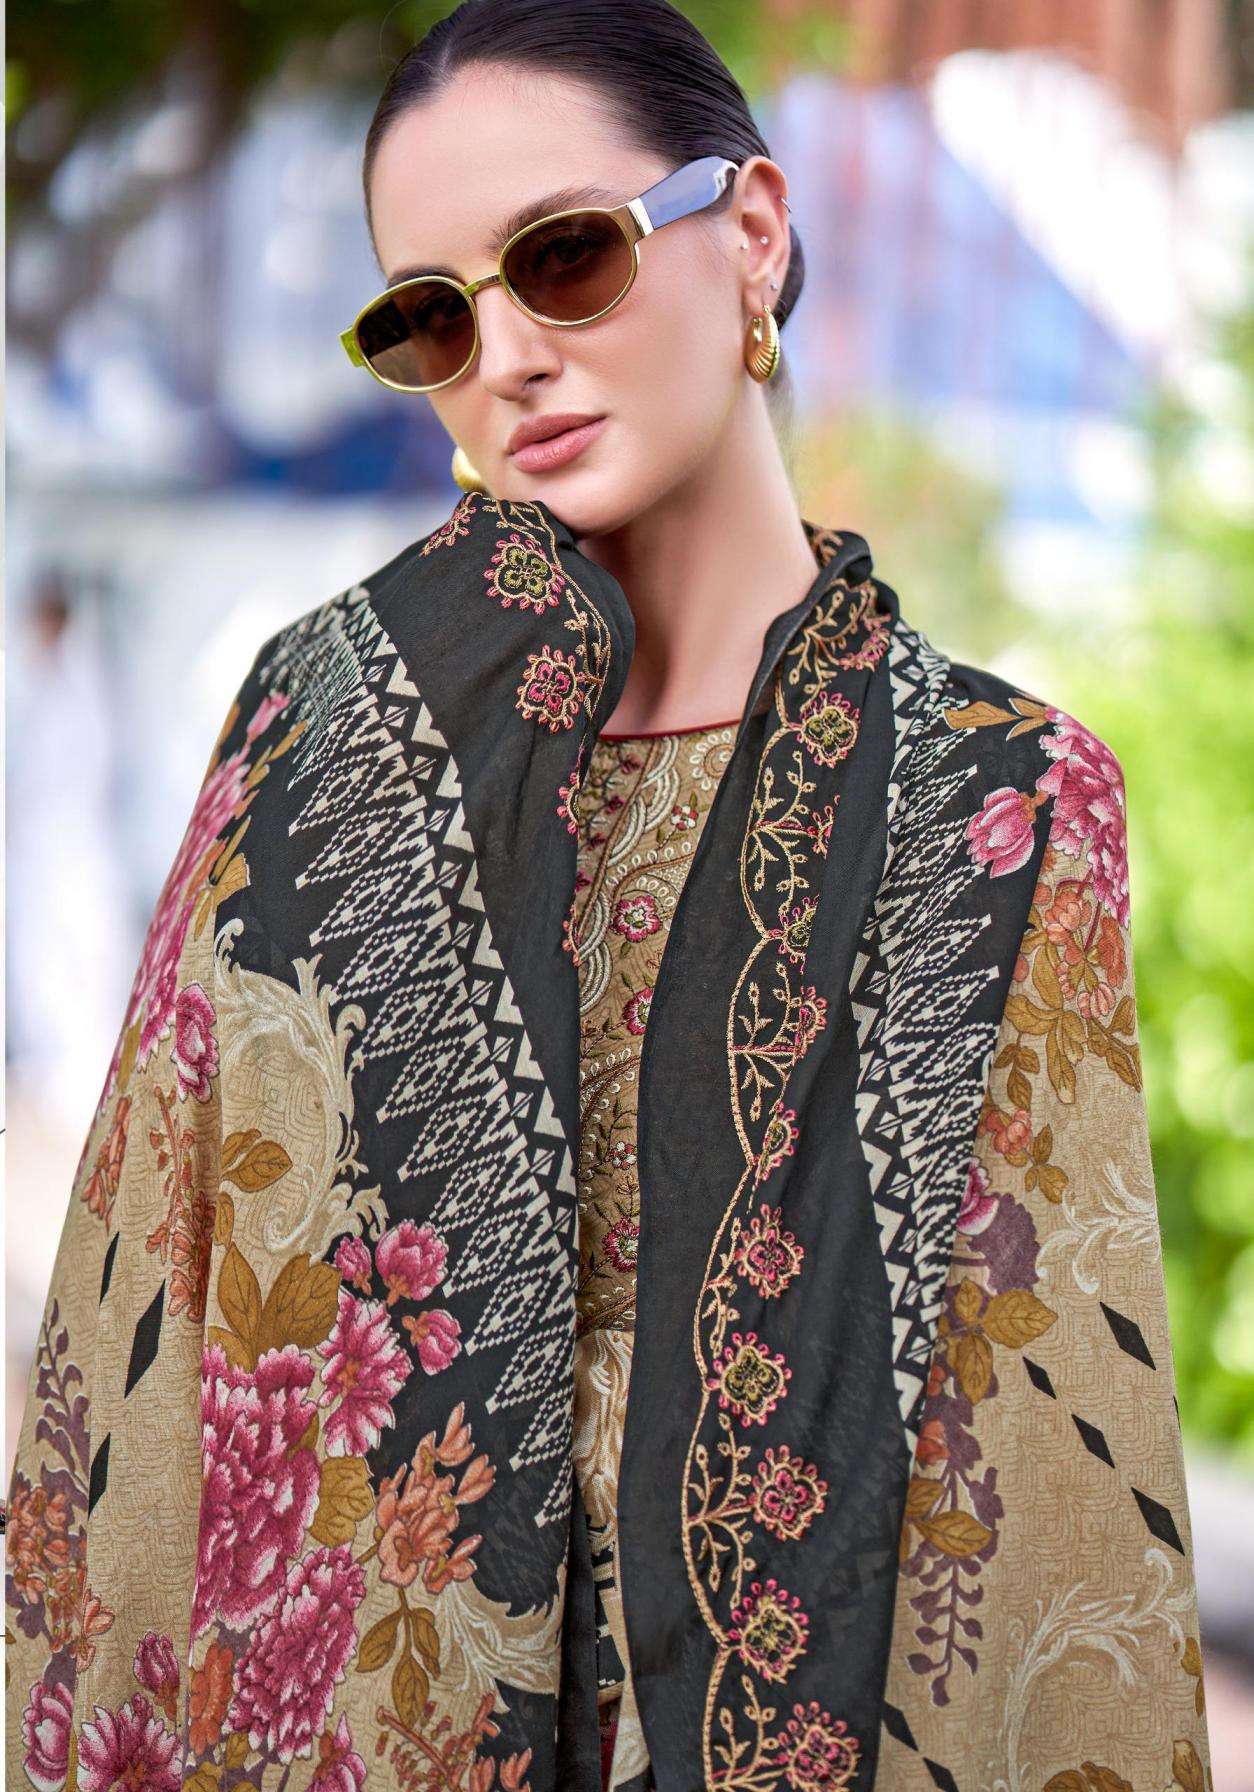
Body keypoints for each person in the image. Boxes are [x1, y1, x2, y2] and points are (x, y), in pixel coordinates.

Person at [5, 4, 1214, 1790]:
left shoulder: (997, 801)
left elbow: (1037, 1511)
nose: (505, 357)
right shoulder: (326, 729)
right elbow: (146, 1377)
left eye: (565, 257)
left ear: (753, 234)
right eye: (431, 315)